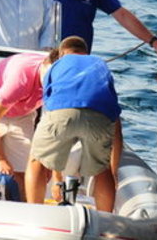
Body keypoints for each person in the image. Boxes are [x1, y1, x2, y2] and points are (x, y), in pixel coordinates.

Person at [0, 36, 87, 201]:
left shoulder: (60, 84)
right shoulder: (20, 78)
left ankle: (25, 209)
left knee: (25, 171)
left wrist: (54, 173)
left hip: (22, 113)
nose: (52, 86)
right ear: (46, 67)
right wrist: (0, 159)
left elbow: (55, 130)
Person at [25, 36, 123, 212]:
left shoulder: (57, 65)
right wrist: (114, 172)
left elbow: (50, 108)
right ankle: (105, 220)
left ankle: (34, 213)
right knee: (102, 170)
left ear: (61, 53)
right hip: (99, 117)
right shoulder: (99, 64)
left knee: (36, 160)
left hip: (62, 112)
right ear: (86, 53)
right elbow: (115, 122)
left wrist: (57, 178)